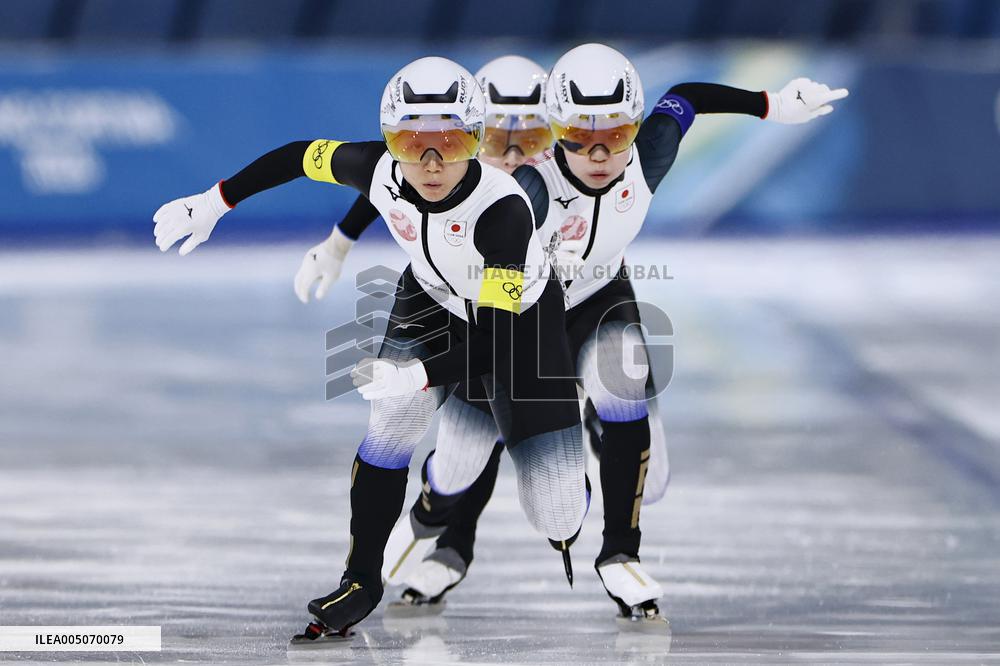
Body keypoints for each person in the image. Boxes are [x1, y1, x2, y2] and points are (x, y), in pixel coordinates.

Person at [381, 44, 849, 629]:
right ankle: (435, 521)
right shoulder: (526, 190)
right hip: (530, 315)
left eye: (617, 134)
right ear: (555, 132)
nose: (599, 154)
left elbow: (688, 97)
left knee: (647, 463)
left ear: (636, 129)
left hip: (602, 301)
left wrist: (773, 104)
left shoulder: (648, 157)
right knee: (461, 460)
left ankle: (620, 551)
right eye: (579, 137)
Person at [151, 56, 588, 640]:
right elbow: (298, 156)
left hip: (518, 322)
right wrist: (215, 202)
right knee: (391, 424)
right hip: (431, 298)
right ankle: (361, 579)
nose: (430, 164)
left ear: (475, 139)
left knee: (558, 514)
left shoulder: (502, 212)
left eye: (451, 143)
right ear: (390, 143)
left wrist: (418, 374)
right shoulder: (378, 168)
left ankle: (568, 445)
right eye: (411, 144)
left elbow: (498, 343)